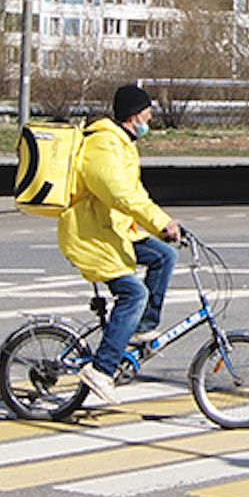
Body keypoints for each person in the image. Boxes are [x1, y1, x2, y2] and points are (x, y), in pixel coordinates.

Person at [58, 84, 181, 405]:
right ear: (133, 114)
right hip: (90, 236)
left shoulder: (122, 143)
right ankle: (102, 369)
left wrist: (163, 226)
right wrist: (160, 222)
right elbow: (118, 192)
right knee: (134, 293)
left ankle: (140, 328)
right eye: (147, 113)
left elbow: (133, 195)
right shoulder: (103, 144)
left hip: (114, 232)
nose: (150, 118)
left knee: (164, 255)